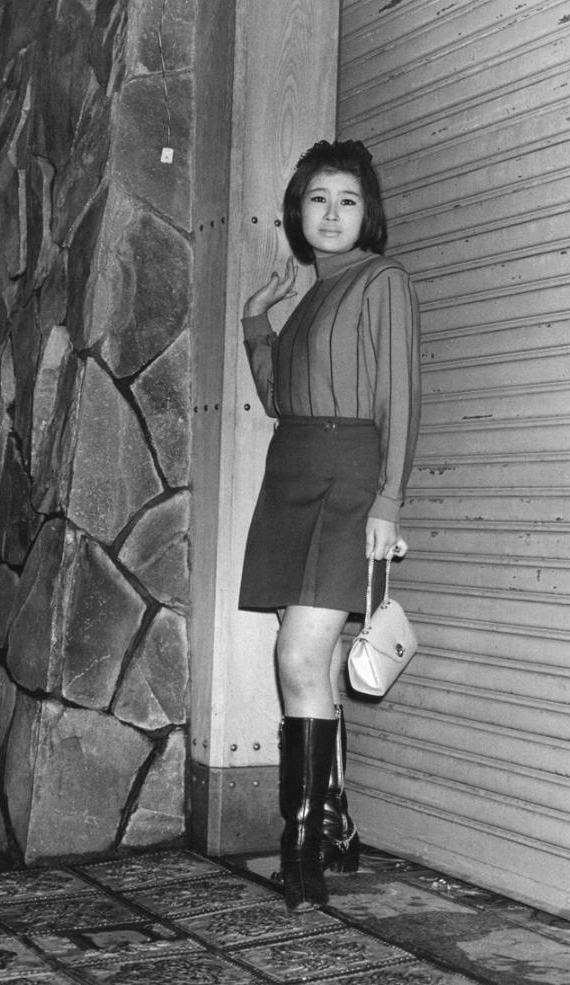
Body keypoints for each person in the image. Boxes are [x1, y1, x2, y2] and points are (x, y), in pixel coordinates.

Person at [238, 139, 421, 912]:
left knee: (297, 655)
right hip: (292, 470)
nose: (333, 213)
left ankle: (302, 848)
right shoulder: (311, 292)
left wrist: (389, 502)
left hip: (349, 476)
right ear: (299, 211)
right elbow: (281, 397)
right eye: (319, 198)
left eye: (348, 199)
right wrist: (257, 318)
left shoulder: (384, 280)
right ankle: (337, 829)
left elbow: (402, 395)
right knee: (308, 665)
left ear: (367, 212)